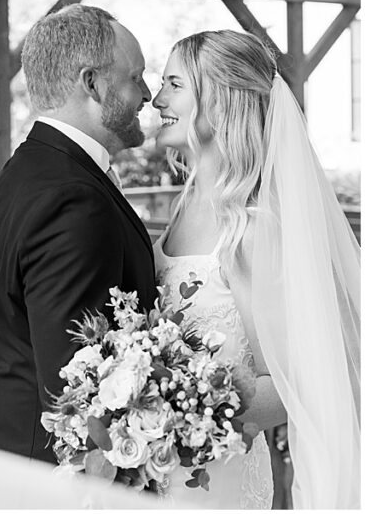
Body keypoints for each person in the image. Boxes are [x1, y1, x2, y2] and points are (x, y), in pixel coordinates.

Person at [151, 30, 359, 508]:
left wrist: (178, 412)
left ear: (221, 103)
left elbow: (289, 385)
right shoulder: (183, 208)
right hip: (164, 470)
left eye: (174, 84)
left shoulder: (251, 226)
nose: (157, 98)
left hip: (219, 478)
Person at [0, 4, 158, 461]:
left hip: (3, 442)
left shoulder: (26, 170)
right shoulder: (73, 199)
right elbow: (75, 381)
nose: (147, 93)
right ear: (92, 82)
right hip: (44, 470)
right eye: (136, 76)